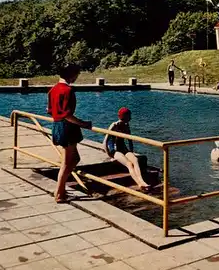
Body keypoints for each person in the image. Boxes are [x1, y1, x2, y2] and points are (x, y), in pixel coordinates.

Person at [47, 64, 92, 203]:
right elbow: (67, 114)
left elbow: (49, 109)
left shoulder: (52, 90)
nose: (77, 77)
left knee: (74, 159)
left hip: (57, 125)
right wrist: (83, 123)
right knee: (66, 163)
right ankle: (59, 194)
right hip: (67, 127)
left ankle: (62, 191)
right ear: (72, 74)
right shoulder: (68, 90)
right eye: (77, 74)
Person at [103, 107, 151, 191]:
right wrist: (110, 155)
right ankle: (139, 183)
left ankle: (142, 180)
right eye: (129, 116)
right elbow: (105, 141)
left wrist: (131, 152)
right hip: (114, 150)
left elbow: (130, 140)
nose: (131, 118)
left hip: (123, 148)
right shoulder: (114, 125)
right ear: (124, 116)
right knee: (129, 164)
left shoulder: (126, 125)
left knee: (135, 160)